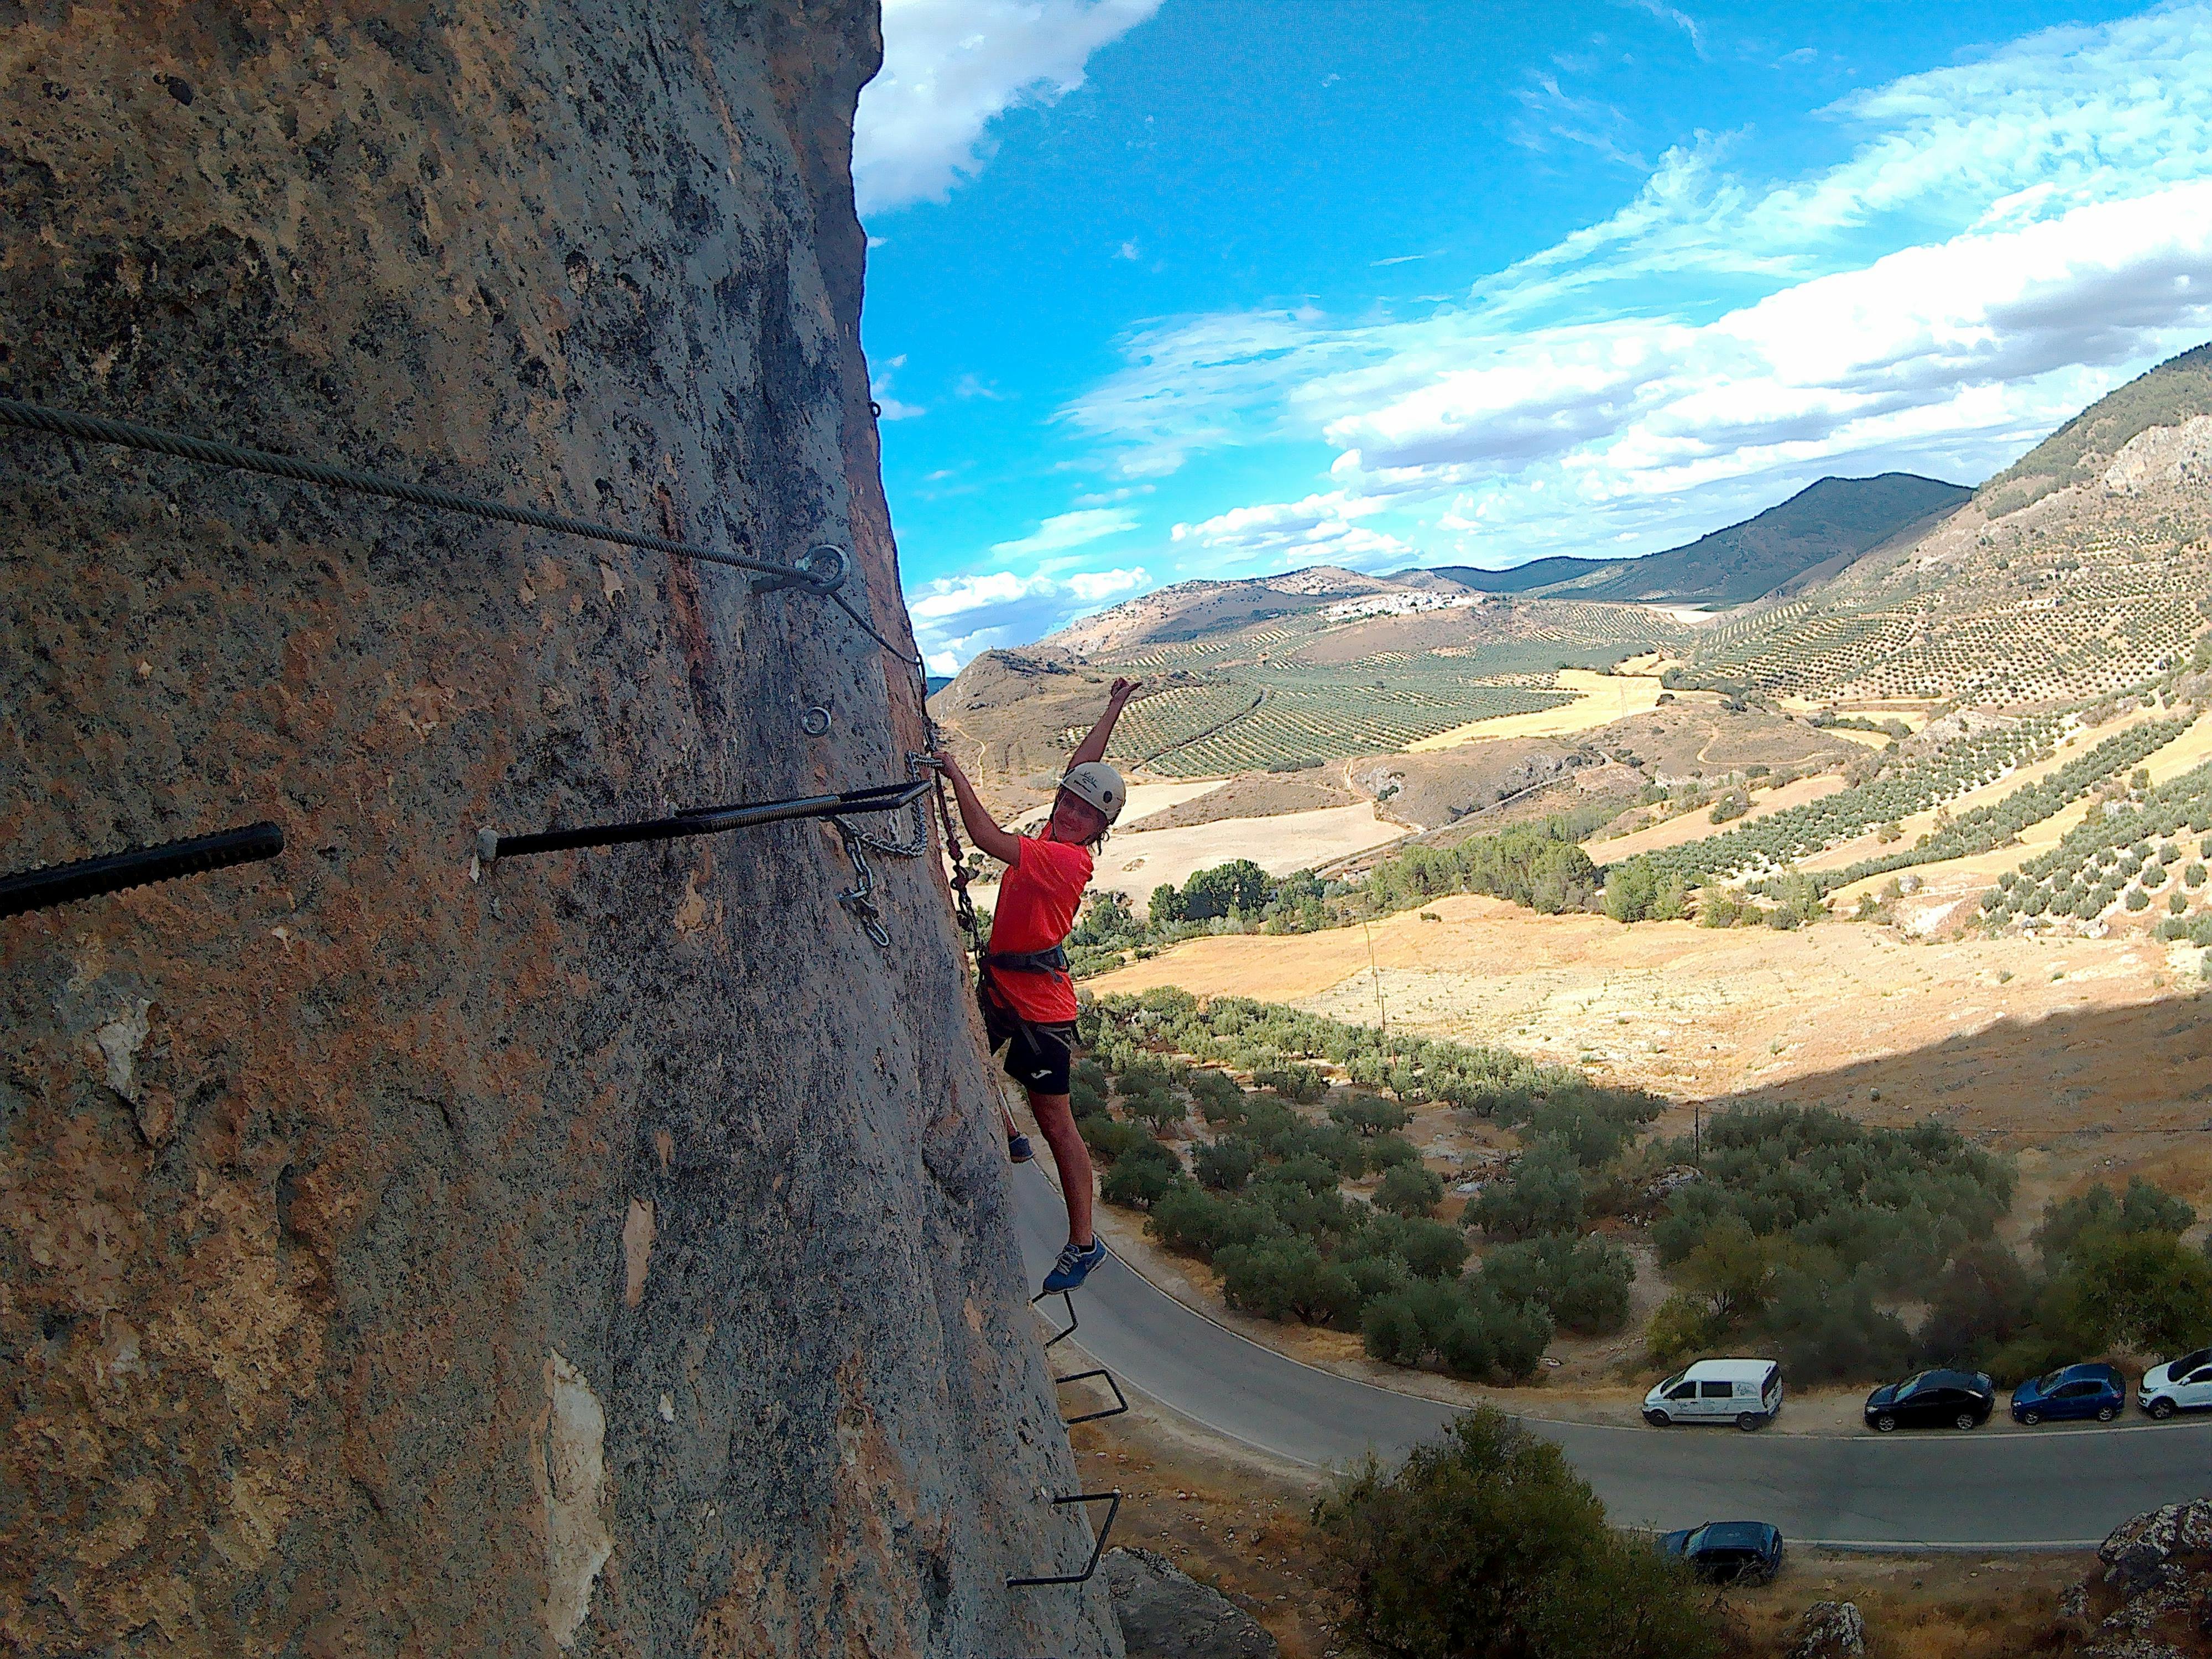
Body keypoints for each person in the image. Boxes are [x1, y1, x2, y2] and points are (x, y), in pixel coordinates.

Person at [933, 676, 1137, 1293]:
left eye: (1083, 813)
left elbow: (986, 840)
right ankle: (1008, 1134)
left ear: (1096, 829)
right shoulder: (1059, 833)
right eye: (1067, 803)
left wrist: (952, 773)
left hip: (1041, 1008)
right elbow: (1083, 770)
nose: (1069, 813)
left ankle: (1084, 1243)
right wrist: (1113, 708)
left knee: (1057, 1122)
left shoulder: (1066, 858)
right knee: (961, 1057)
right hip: (1006, 986)